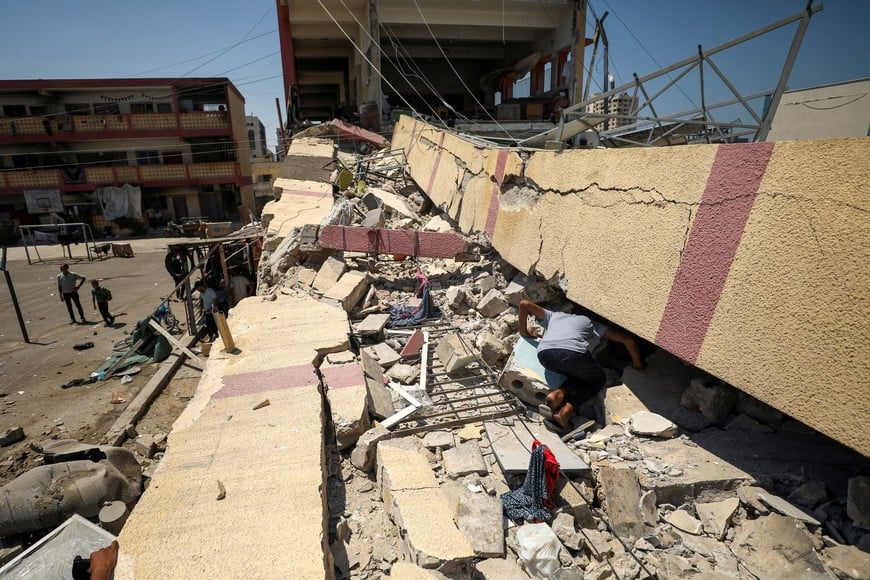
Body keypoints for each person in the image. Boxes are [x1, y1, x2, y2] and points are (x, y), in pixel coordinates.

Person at [518, 299, 644, 431]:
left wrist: (524, 331)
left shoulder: (555, 316)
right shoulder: (592, 323)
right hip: (572, 354)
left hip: (545, 355)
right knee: (598, 379)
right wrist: (638, 365)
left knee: (579, 374)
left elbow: (524, 304)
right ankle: (567, 409)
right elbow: (627, 340)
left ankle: (558, 393)